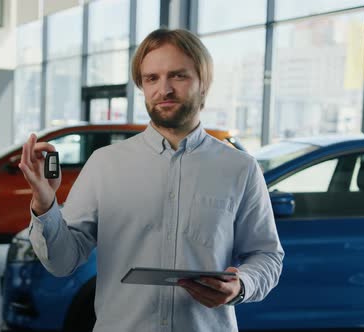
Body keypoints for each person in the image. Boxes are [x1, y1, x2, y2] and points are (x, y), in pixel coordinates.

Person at [18, 28, 284, 332]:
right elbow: (63, 262)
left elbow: (266, 256)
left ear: (203, 83)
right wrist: (44, 203)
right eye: (151, 78)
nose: (164, 89)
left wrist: (241, 285)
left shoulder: (240, 168)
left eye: (179, 76)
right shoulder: (105, 164)